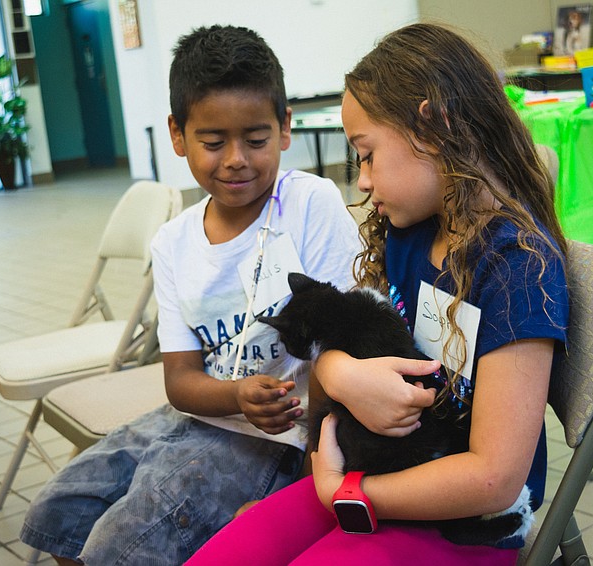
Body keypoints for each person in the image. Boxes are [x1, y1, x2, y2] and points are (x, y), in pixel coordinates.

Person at [188, 22, 569, 565]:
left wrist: (347, 495)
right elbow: (348, 341)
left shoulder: (516, 269)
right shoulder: (410, 234)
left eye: (366, 155)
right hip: (375, 476)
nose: (361, 180)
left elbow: (493, 479)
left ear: (433, 129)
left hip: (458, 520)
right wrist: (337, 372)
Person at [19, 24, 360, 565]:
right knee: (60, 508)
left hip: (281, 440)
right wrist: (235, 397)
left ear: (285, 128)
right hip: (200, 416)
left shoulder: (309, 205)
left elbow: (341, 345)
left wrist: (313, 460)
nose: (236, 160)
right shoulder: (174, 242)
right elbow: (180, 381)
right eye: (212, 142)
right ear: (178, 135)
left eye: (255, 139)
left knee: (120, 542)